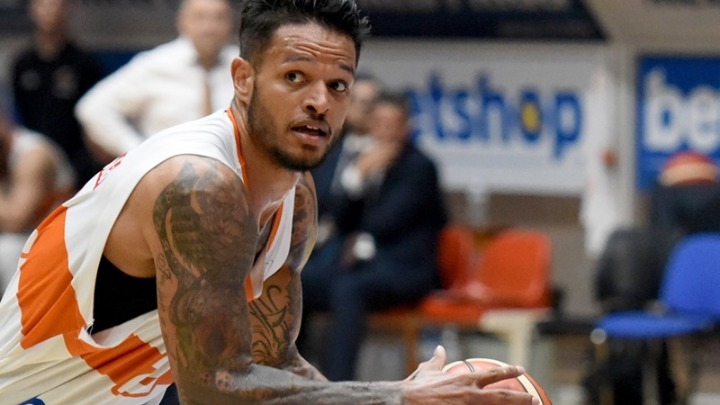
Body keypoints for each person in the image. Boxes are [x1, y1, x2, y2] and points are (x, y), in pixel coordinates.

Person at [0, 1, 539, 404]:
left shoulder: (294, 196)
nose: (319, 102)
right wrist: (395, 396)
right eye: (294, 78)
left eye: (338, 85)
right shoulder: (198, 184)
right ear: (243, 79)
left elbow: (274, 365)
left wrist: (399, 399)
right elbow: (215, 391)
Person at [302, 91, 448, 381]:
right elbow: (339, 218)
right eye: (379, 124)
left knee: (348, 289)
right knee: (300, 281)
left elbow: (385, 222)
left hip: (405, 269)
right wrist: (356, 176)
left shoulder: (419, 167)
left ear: (406, 128)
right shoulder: (364, 161)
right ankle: (287, 375)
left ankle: (338, 386)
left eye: (393, 125)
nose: (385, 132)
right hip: (362, 267)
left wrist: (365, 173)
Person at [75, 0, 237, 161]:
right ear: (182, 22)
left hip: (234, 169)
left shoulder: (242, 65)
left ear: (232, 23)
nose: (209, 28)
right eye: (199, 17)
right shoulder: (156, 64)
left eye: (219, 18)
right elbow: (93, 108)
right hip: (169, 169)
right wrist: (141, 155)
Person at [11, 0, 105, 187]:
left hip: (76, 167)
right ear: (32, 9)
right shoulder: (22, 64)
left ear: (68, 9)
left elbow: (94, 121)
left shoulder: (85, 64)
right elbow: (22, 115)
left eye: (56, 4)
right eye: (43, 5)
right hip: (35, 163)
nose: (50, 11)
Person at [0, 89, 75, 295]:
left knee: (7, 250)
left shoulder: (33, 154)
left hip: (59, 238)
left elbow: (16, 221)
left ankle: (15, 316)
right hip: (27, 237)